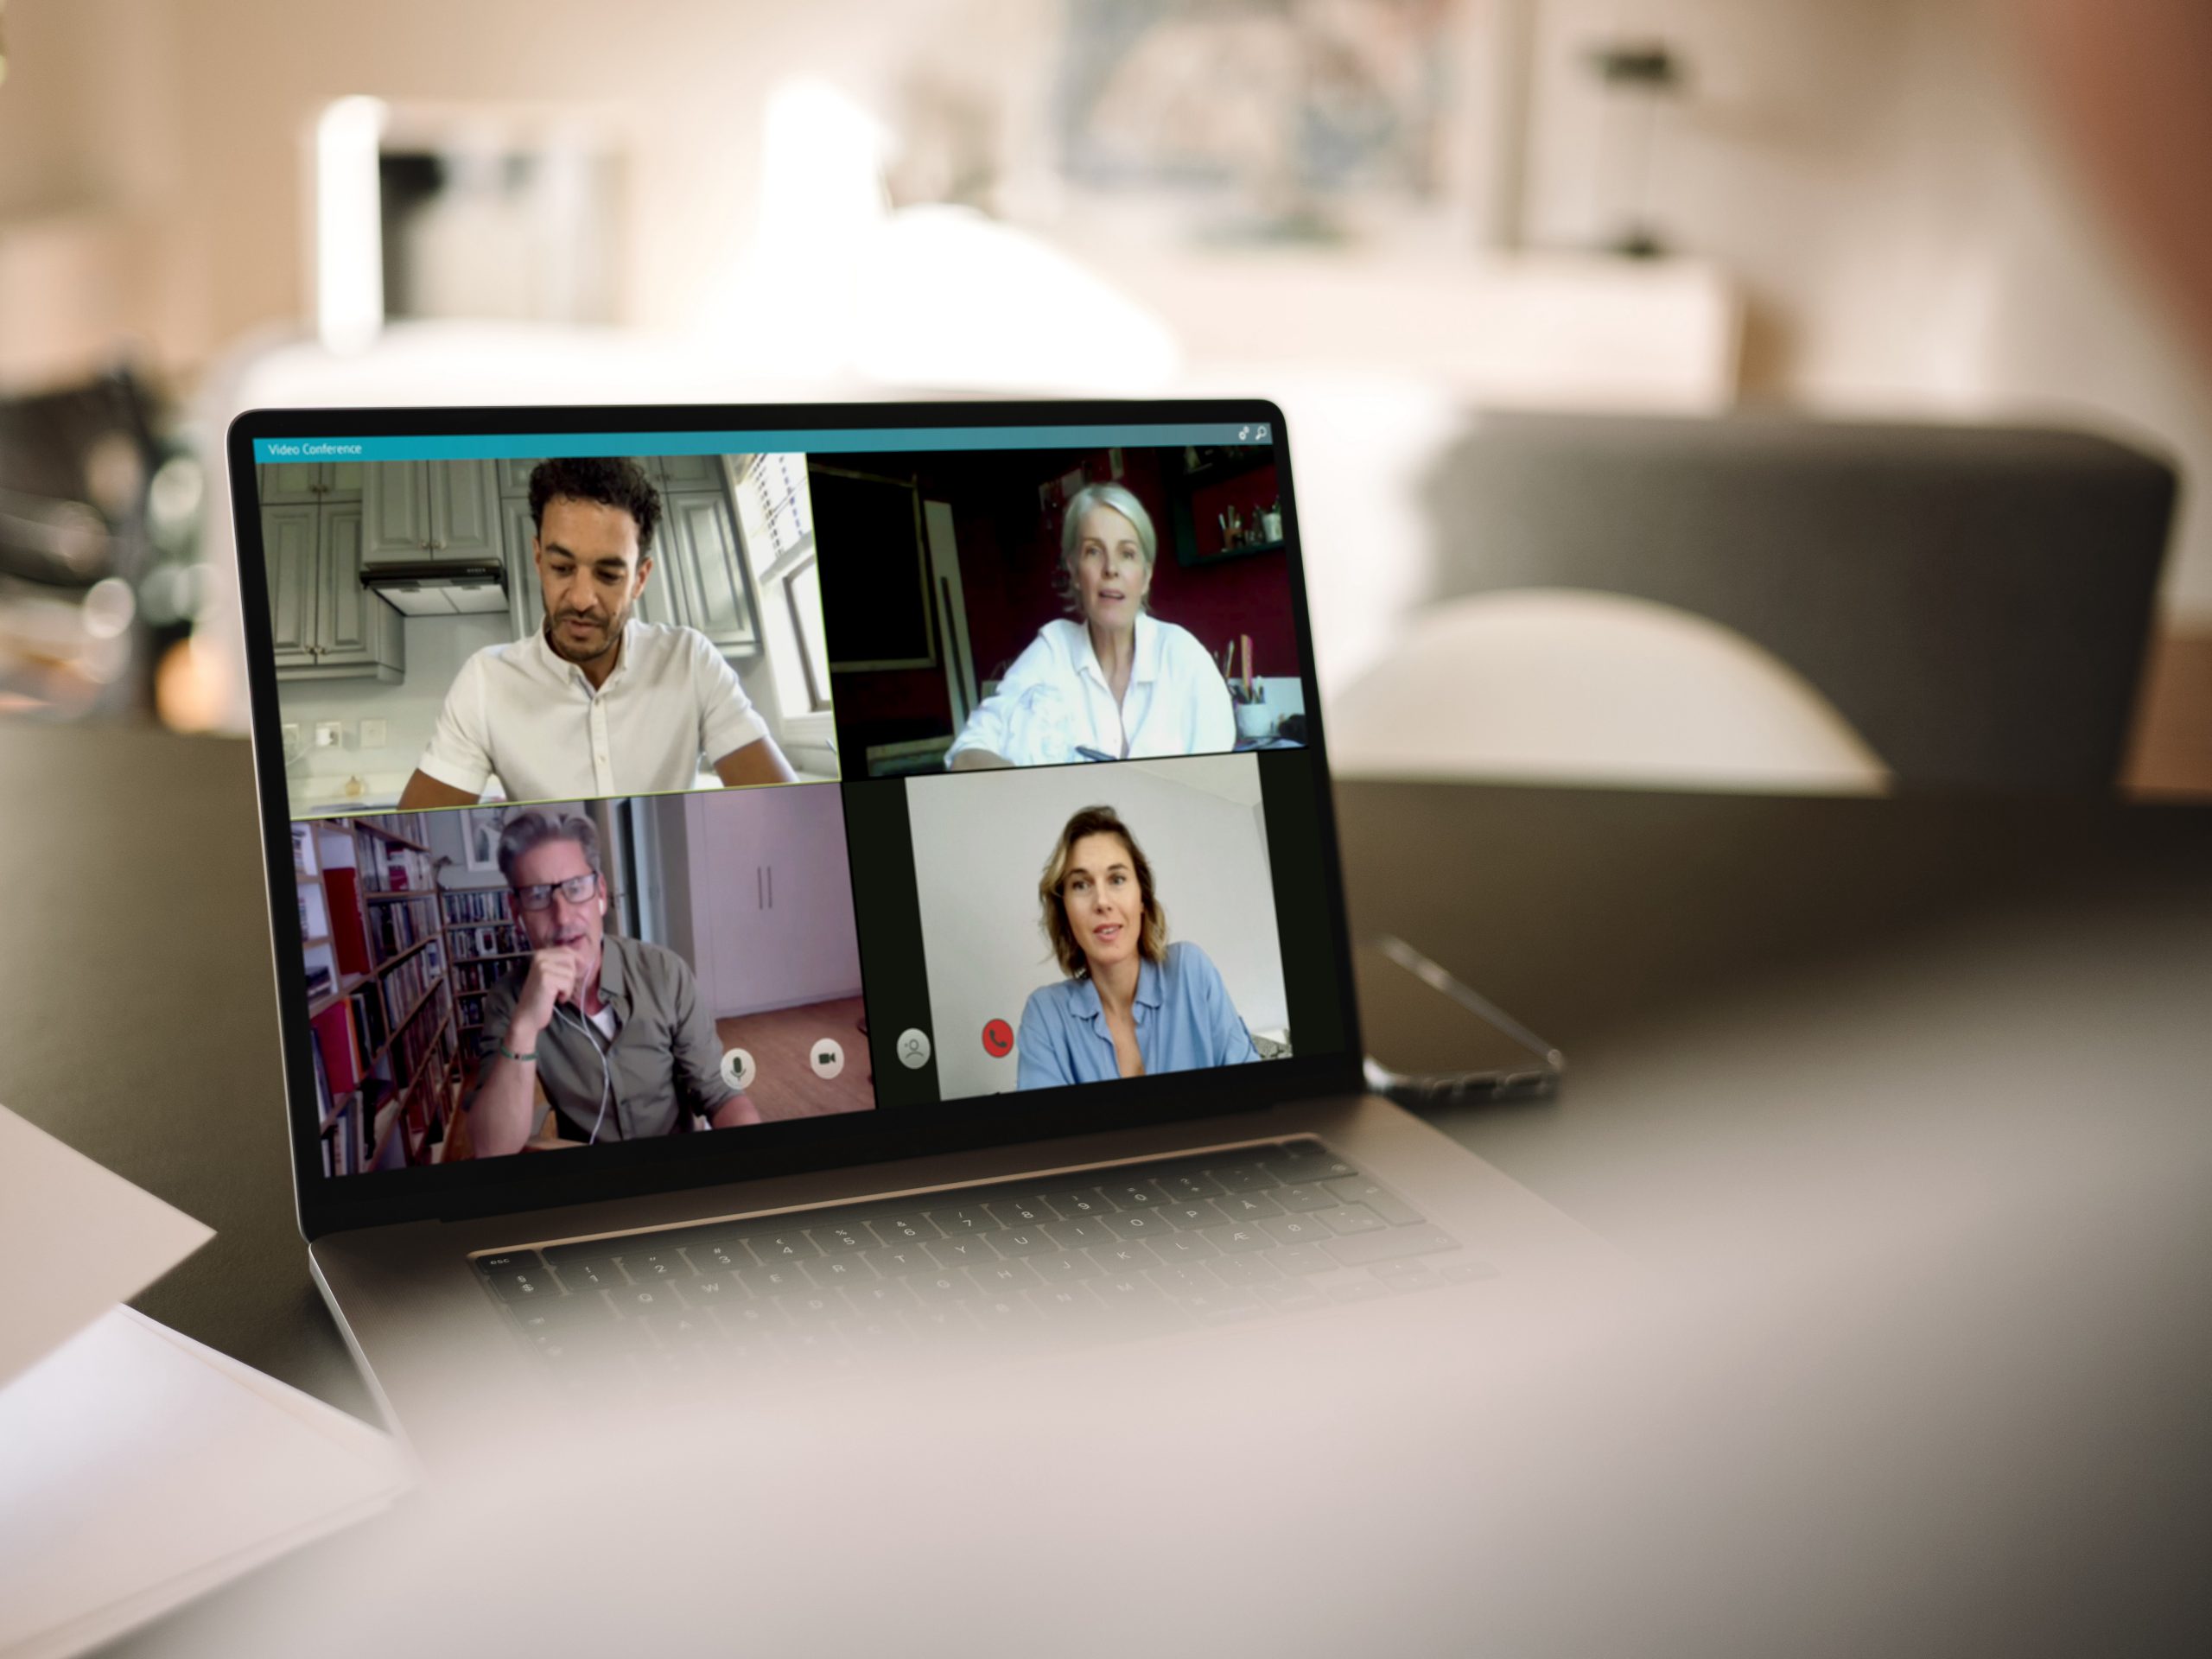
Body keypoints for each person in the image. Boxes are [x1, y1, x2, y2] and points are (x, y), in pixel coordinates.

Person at [397, 458, 796, 809]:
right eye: (562, 568)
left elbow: (786, 810)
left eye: (608, 574)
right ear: (538, 559)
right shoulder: (485, 681)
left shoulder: (690, 660)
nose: (582, 599)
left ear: (640, 579)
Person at [465, 809, 760, 1155]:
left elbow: (720, 1093)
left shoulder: (666, 973)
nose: (562, 916)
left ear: (601, 894)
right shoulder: (508, 1000)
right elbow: (492, 1149)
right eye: (539, 896)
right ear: (516, 913)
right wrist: (525, 1027)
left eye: (576, 888)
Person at [946, 483, 1236, 770]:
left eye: (1127, 553)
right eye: (1094, 551)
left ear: (1145, 577)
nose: (1111, 568)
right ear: (1074, 570)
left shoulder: (1184, 658)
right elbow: (968, 749)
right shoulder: (1053, 649)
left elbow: (1220, 784)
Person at [1014, 804, 1261, 1089]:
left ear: (1142, 898)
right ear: (1064, 910)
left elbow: (1251, 1094)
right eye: (1081, 885)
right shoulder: (1045, 1014)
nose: (1102, 901)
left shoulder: (1190, 969)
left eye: (1117, 879)